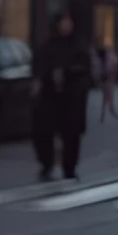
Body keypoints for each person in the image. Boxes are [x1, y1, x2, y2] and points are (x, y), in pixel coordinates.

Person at [33, 13, 91, 181]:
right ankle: (46, 164)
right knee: (44, 132)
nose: (66, 26)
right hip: (50, 96)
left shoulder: (77, 46)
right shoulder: (47, 46)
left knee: (71, 134)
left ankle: (69, 167)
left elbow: (84, 68)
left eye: (68, 22)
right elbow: (39, 66)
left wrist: (68, 74)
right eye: (63, 23)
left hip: (72, 97)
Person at [94, 42, 118, 123]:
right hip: (108, 79)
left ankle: (106, 113)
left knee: (106, 97)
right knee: (108, 96)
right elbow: (113, 68)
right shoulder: (110, 58)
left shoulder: (106, 58)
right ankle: (110, 111)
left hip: (107, 78)